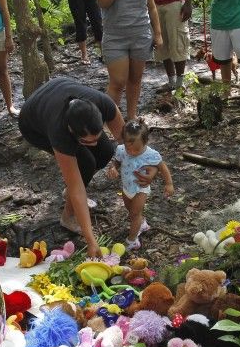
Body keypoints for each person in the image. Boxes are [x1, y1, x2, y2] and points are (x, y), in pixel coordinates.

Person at [19, 77, 147, 258]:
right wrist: (91, 240)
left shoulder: (105, 104)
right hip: (33, 122)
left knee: (105, 151)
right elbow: (77, 188)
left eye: (97, 135)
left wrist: (142, 173)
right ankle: (68, 217)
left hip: (58, 91)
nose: (93, 144)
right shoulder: (60, 133)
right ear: (72, 131)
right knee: (85, 164)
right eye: (88, 141)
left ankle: (71, 196)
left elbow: (126, 143)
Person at [97, 0, 163, 121]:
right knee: (117, 82)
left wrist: (157, 35)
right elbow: (102, 2)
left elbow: (152, 7)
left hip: (141, 36)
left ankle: (132, 117)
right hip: (115, 37)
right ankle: (109, 121)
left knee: (135, 80)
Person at [105, 119, 174, 250]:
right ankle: (142, 224)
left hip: (140, 189)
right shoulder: (121, 150)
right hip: (126, 188)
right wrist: (113, 168)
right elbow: (117, 161)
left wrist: (169, 183)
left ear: (145, 142)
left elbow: (163, 167)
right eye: (128, 148)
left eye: (136, 149)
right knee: (130, 211)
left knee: (135, 214)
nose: (131, 152)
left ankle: (132, 241)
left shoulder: (151, 154)